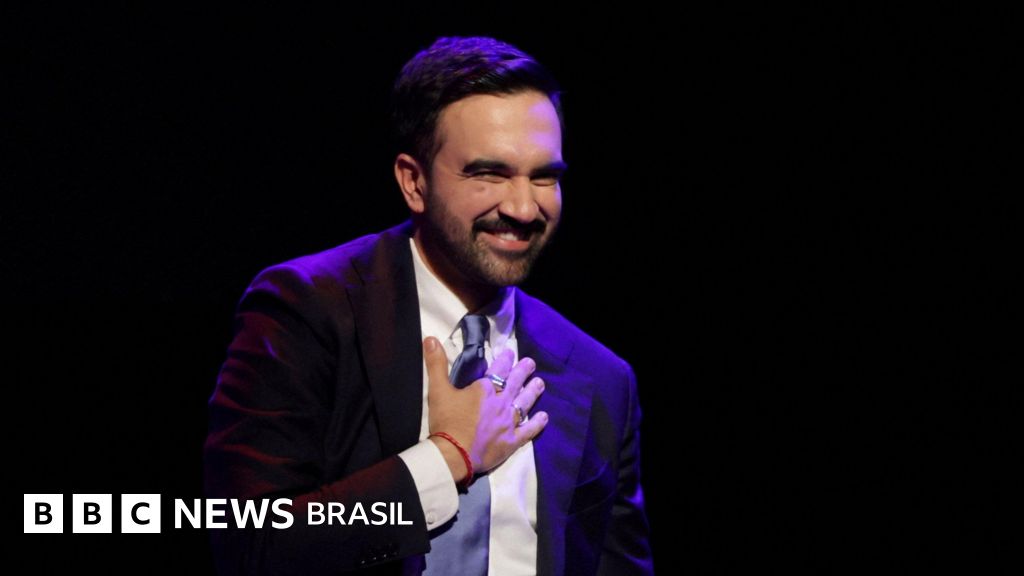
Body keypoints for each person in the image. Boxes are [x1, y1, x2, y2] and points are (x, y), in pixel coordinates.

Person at [204, 35, 653, 575]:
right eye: (489, 173)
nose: (522, 207)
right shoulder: (308, 312)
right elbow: (249, 544)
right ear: (414, 182)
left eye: (544, 177)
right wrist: (447, 457)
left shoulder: (601, 377)